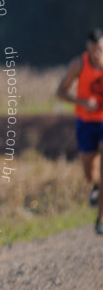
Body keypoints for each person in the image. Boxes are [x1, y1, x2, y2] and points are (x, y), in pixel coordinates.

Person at [55, 28, 103, 234]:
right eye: (94, 50)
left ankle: (100, 220)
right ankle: (95, 187)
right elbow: (60, 92)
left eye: (100, 50)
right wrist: (81, 101)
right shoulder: (79, 65)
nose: (97, 55)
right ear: (88, 48)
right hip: (85, 122)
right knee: (90, 172)